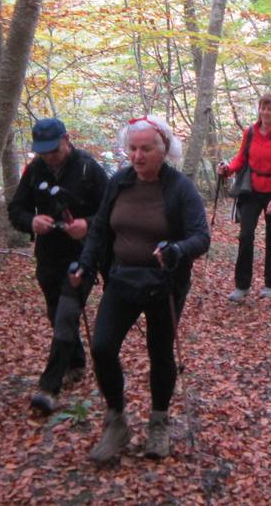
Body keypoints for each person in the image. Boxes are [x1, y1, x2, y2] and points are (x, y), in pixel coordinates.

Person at [71, 116, 210, 463]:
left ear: (163, 149)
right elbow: (101, 229)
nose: (137, 155)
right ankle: (116, 421)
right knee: (102, 347)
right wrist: (85, 264)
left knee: (160, 353)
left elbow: (201, 237)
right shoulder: (119, 182)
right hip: (122, 279)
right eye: (132, 148)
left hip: (164, 284)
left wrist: (178, 250)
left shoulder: (180, 188)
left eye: (146, 148)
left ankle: (159, 423)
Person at [7, 118, 108, 415]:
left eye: (53, 149)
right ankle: (75, 362)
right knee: (56, 313)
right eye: (43, 151)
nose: (49, 156)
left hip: (83, 254)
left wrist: (86, 225)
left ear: (66, 139)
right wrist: (31, 221)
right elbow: (16, 209)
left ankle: (49, 388)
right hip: (48, 256)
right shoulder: (35, 169)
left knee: (66, 314)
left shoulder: (90, 169)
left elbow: (111, 211)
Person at [218, 92, 271, 301]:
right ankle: (242, 286)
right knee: (245, 235)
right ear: (259, 109)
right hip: (251, 189)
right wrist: (227, 170)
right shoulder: (250, 132)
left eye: (270, 108)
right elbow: (241, 158)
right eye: (263, 107)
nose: (266, 111)